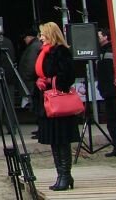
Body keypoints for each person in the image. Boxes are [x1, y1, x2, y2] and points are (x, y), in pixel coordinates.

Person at [33, 21, 80, 191]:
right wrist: (39, 81)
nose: (40, 38)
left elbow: (68, 75)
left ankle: (65, 175)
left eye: (43, 34)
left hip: (58, 101)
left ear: (50, 34)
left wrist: (51, 81)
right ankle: (61, 174)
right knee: (54, 141)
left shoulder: (61, 51)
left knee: (62, 140)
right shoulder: (43, 52)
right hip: (47, 101)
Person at [98, 27, 116, 157]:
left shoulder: (113, 50)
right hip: (106, 91)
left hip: (114, 91)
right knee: (111, 122)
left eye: (99, 36)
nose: (97, 38)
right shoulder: (99, 52)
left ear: (106, 36)